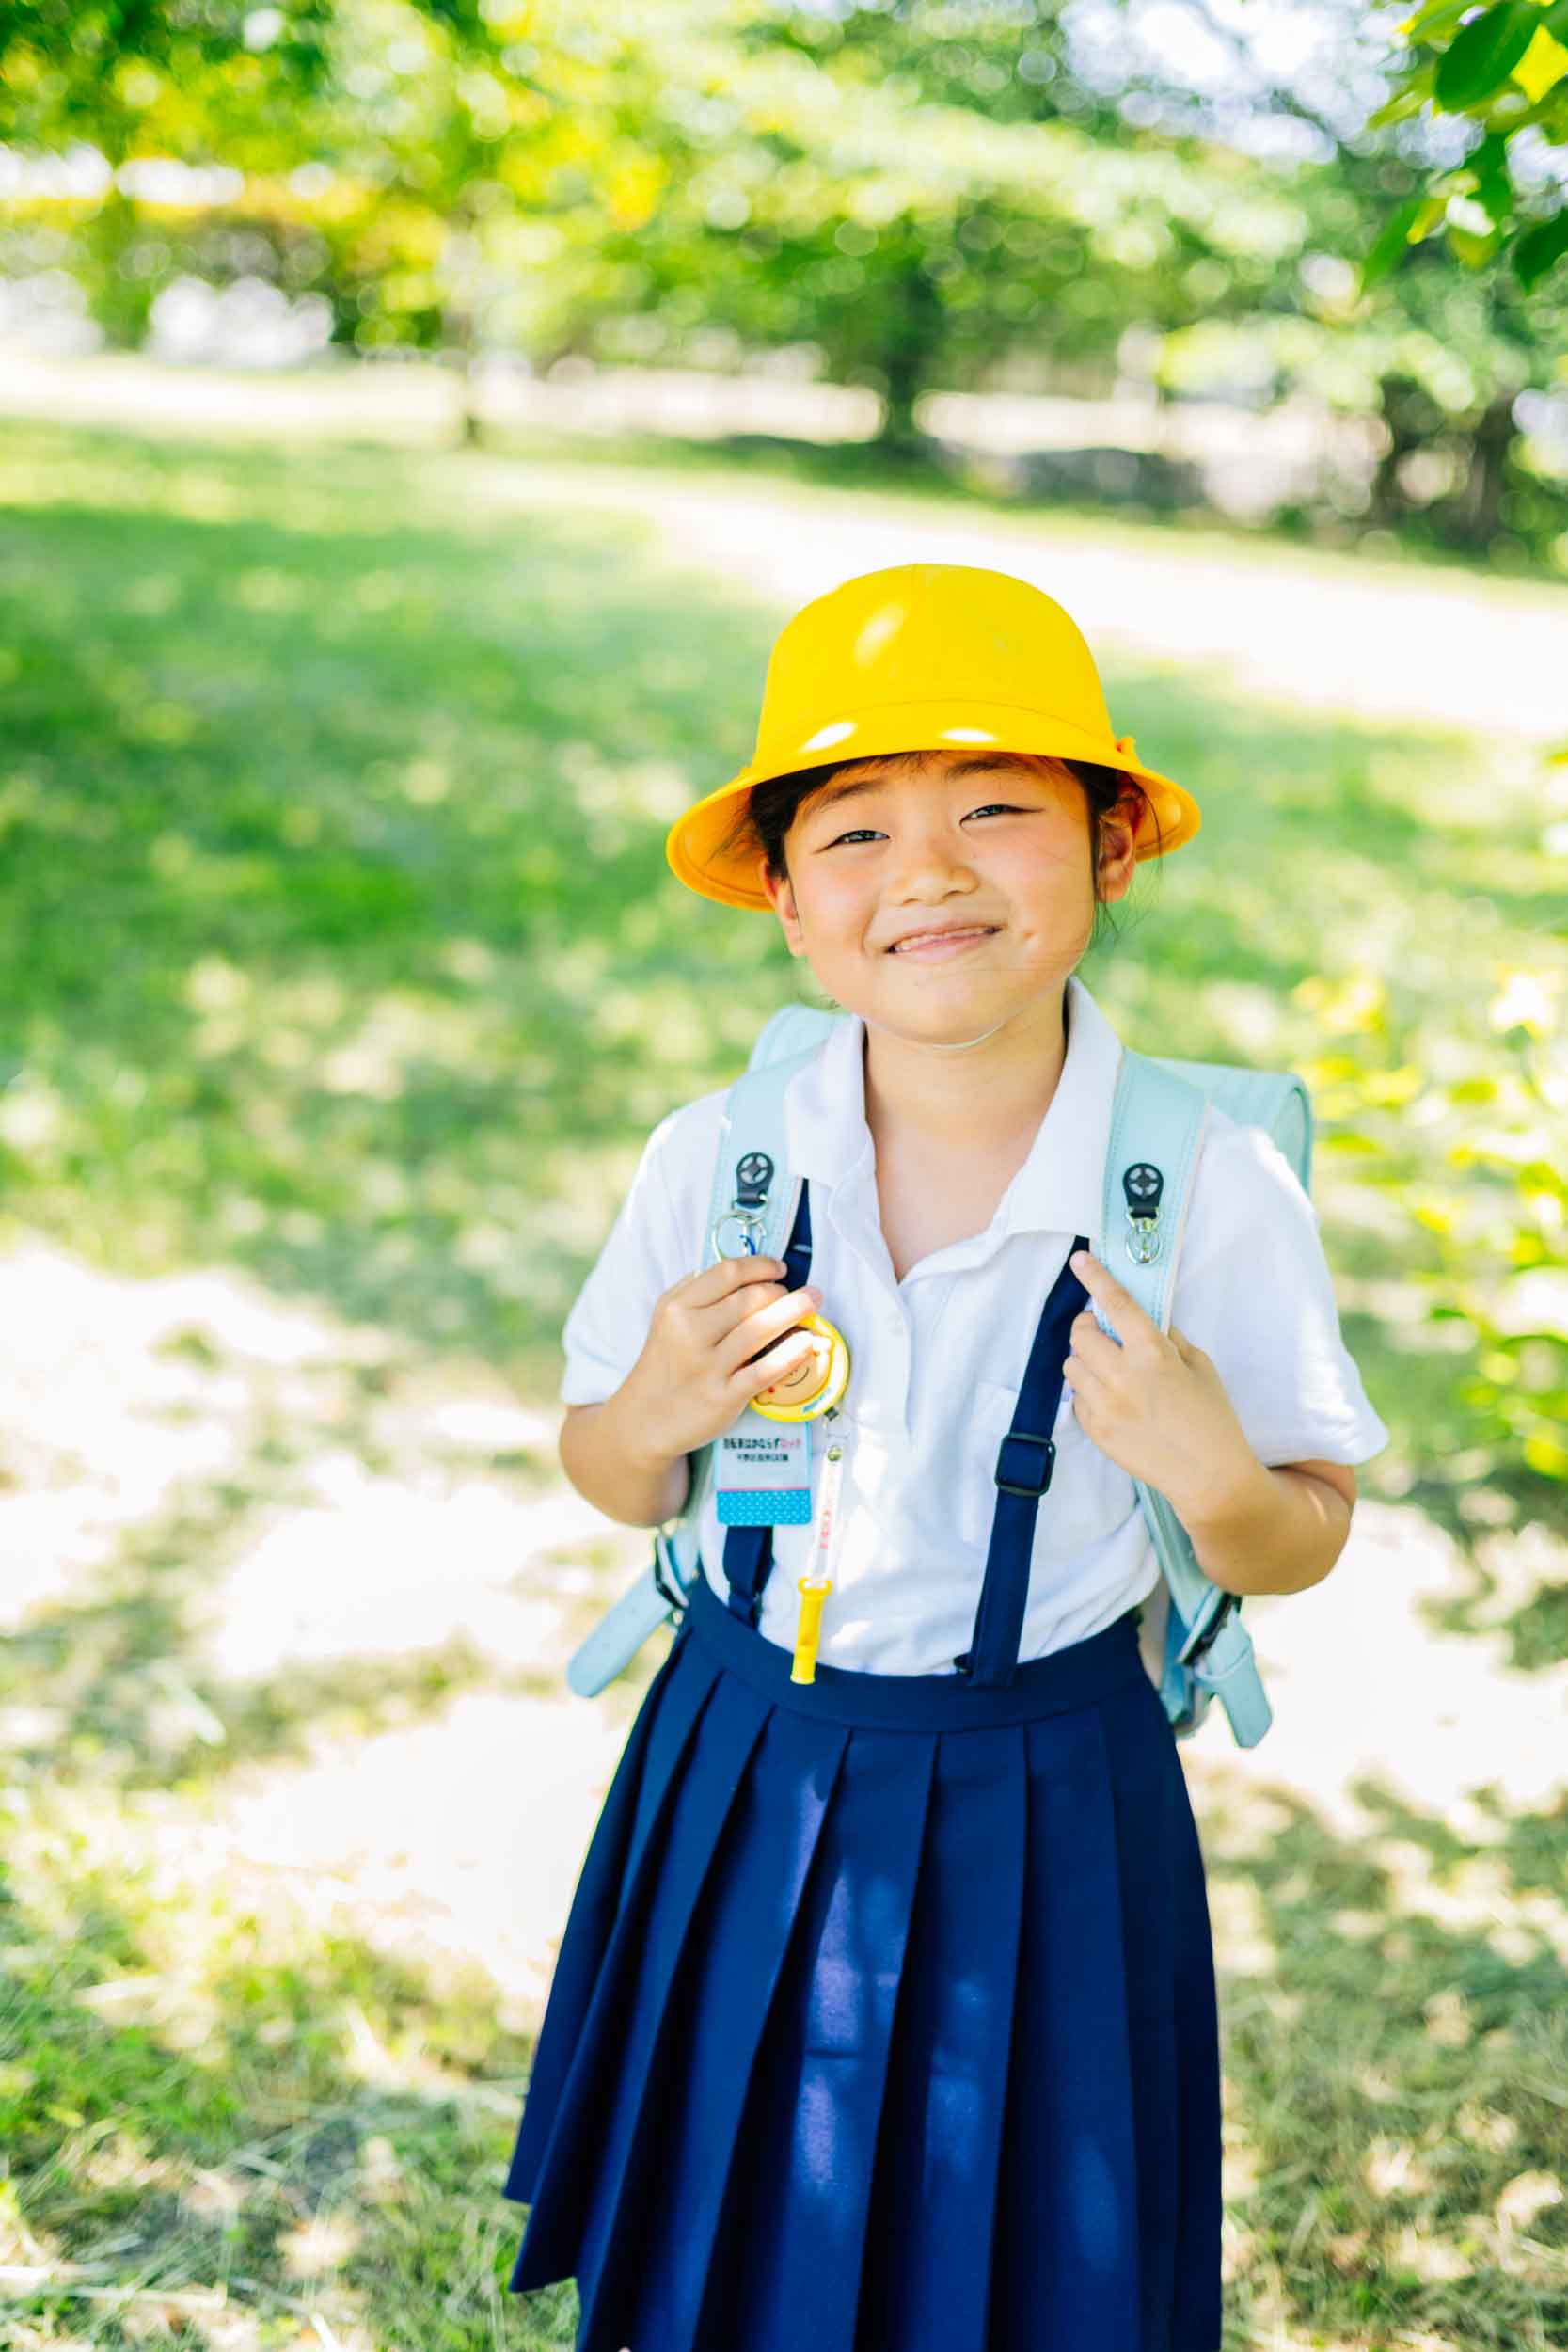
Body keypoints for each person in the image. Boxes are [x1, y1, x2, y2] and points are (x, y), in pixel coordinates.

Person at [502, 562, 1390, 2352]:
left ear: (1112, 846)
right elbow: (608, 1469)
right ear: (778, 895)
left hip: (1052, 1770)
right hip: (743, 1743)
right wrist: (654, 1414)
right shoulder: (725, 1155)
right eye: (853, 833)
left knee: (1028, 2249)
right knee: (731, 2214)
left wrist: (1214, 1469)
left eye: (1000, 811)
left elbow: (1299, 1534)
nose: (930, 874)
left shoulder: (1205, 1183)